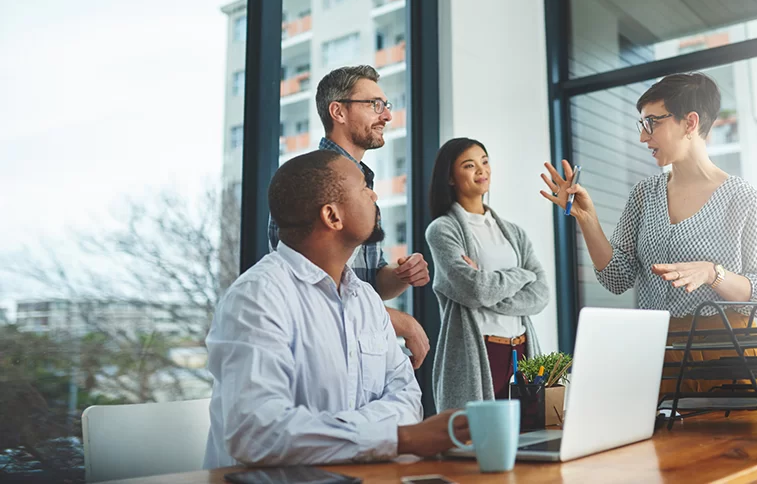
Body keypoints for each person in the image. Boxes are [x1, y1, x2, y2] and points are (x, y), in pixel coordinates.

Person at [204, 151, 468, 468]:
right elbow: (257, 433)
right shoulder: (257, 297)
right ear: (332, 216)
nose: (374, 194)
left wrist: (333, 434)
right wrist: (399, 439)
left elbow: (408, 399)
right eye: (362, 188)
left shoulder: (366, 299)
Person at [540, 72, 757, 395]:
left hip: (730, 358)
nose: (643, 137)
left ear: (689, 123)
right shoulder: (644, 195)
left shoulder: (742, 197)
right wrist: (587, 218)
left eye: (652, 123)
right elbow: (616, 277)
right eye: (641, 125)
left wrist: (713, 273)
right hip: (659, 357)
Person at [268, 65, 430, 369]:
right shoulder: (307, 181)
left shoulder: (365, 185)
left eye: (386, 106)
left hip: (361, 349)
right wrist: (398, 321)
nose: (387, 116)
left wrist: (400, 275)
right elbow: (309, 290)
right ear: (338, 112)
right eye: (375, 105)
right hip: (322, 356)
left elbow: (372, 282)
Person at [425, 138, 551, 411]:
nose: (482, 170)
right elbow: (475, 290)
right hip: (480, 351)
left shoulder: (514, 232)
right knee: (477, 443)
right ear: (450, 177)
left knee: (530, 440)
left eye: (484, 161)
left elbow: (541, 295)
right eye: (469, 165)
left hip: (522, 350)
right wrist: (522, 275)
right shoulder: (442, 230)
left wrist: (488, 284)